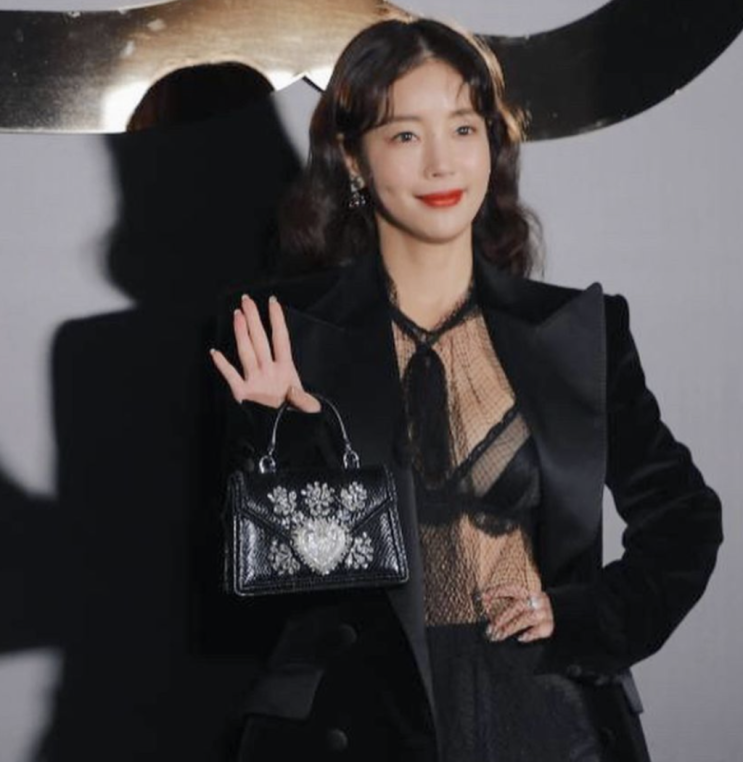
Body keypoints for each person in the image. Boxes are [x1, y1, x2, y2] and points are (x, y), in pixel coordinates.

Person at [209, 15, 722, 762]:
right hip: (361, 729)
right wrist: (291, 431)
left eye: (463, 128)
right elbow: (237, 602)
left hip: (551, 718)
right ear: (352, 158)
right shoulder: (280, 333)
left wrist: (587, 615)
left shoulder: (577, 330)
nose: (441, 163)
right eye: (404, 134)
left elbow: (684, 517)